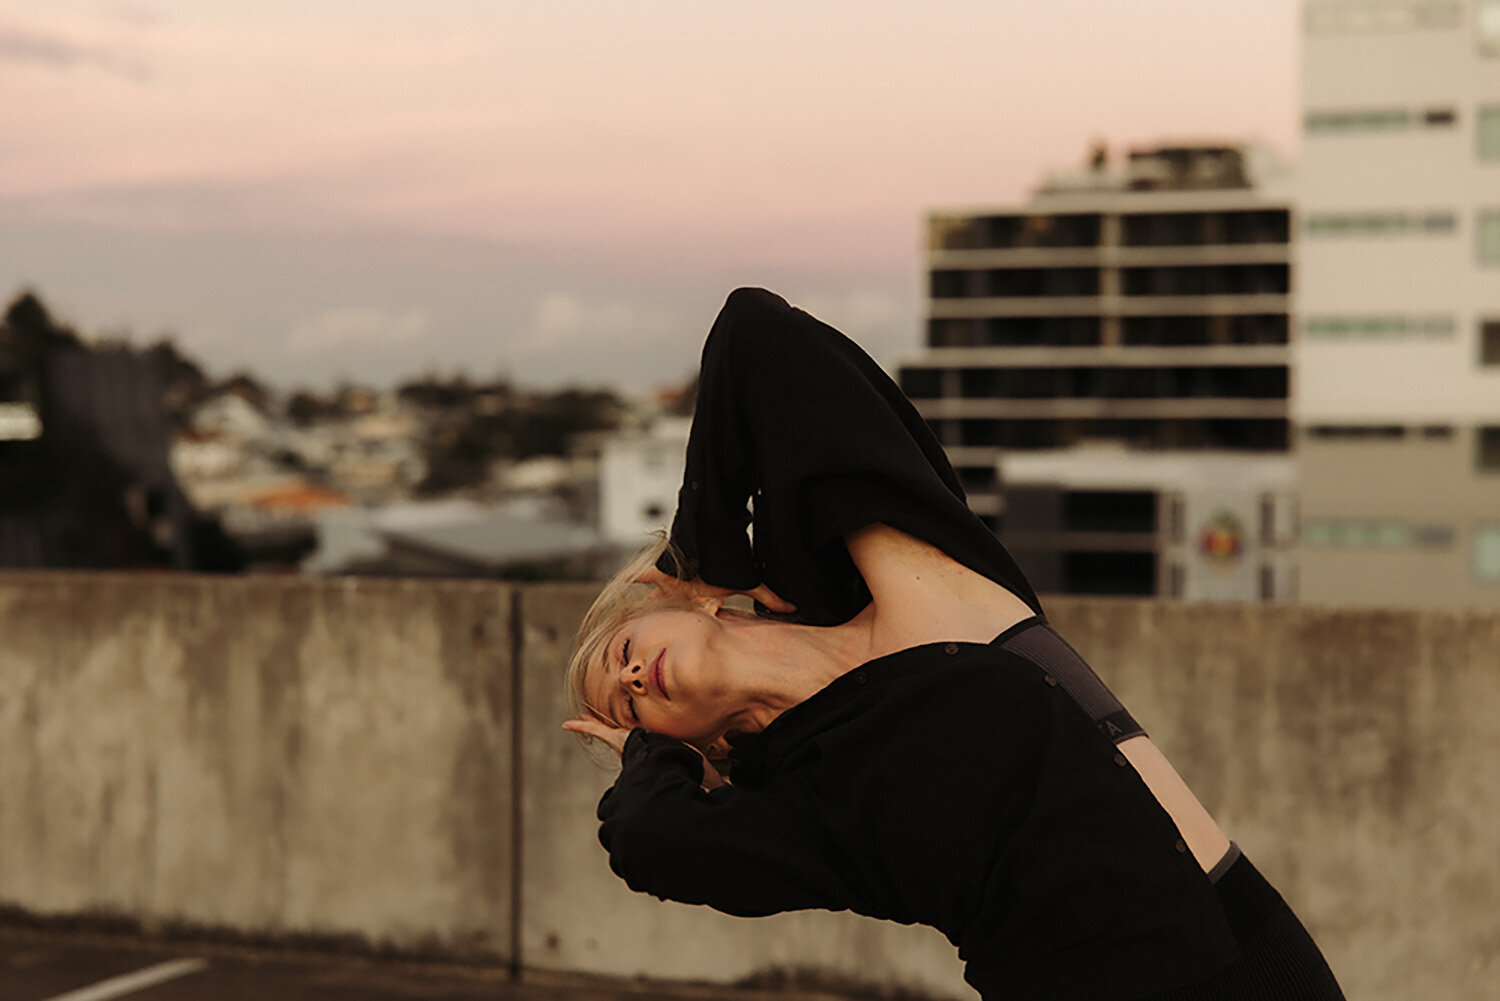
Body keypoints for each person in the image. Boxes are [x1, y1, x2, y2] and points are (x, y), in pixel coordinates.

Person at [563, 288, 1345, 1001]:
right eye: (626, 705)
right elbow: (652, 839)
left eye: (622, 650)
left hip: (1249, 947)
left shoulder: (908, 592)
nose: (633, 675)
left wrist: (710, 555)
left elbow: (756, 333)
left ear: (671, 604)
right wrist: (645, 759)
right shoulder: (795, 802)